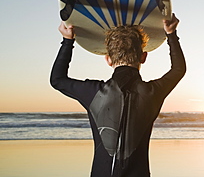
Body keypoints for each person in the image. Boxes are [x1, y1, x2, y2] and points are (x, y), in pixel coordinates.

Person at [50, 14, 186, 177]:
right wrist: (171, 34)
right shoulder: (153, 92)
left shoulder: (94, 92)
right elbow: (179, 69)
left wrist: (67, 41)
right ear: (143, 57)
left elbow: (57, 79)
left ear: (108, 59)